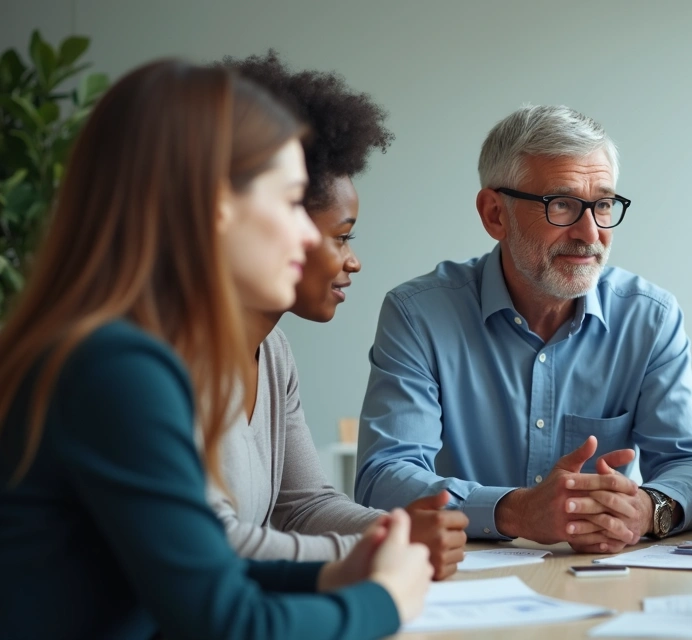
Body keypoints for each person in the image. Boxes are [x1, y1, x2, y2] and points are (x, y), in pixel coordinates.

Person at [0, 60, 432, 638]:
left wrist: (331, 576)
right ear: (214, 208)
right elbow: (226, 622)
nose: (309, 236)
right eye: (288, 202)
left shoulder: (113, 348)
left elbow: (197, 570)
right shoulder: (117, 367)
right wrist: (384, 600)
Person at [355, 105, 692, 552]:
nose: (590, 232)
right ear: (495, 214)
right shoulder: (419, 315)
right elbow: (384, 476)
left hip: (602, 578)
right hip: (460, 586)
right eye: (562, 204)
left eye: (603, 204)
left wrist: (648, 508)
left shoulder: (649, 317)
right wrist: (515, 511)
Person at [208, 51, 466, 580]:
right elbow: (212, 547)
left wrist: (397, 532)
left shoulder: (273, 351)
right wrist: (380, 548)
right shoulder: (167, 356)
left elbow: (300, 507)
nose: (352, 260)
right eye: (340, 236)